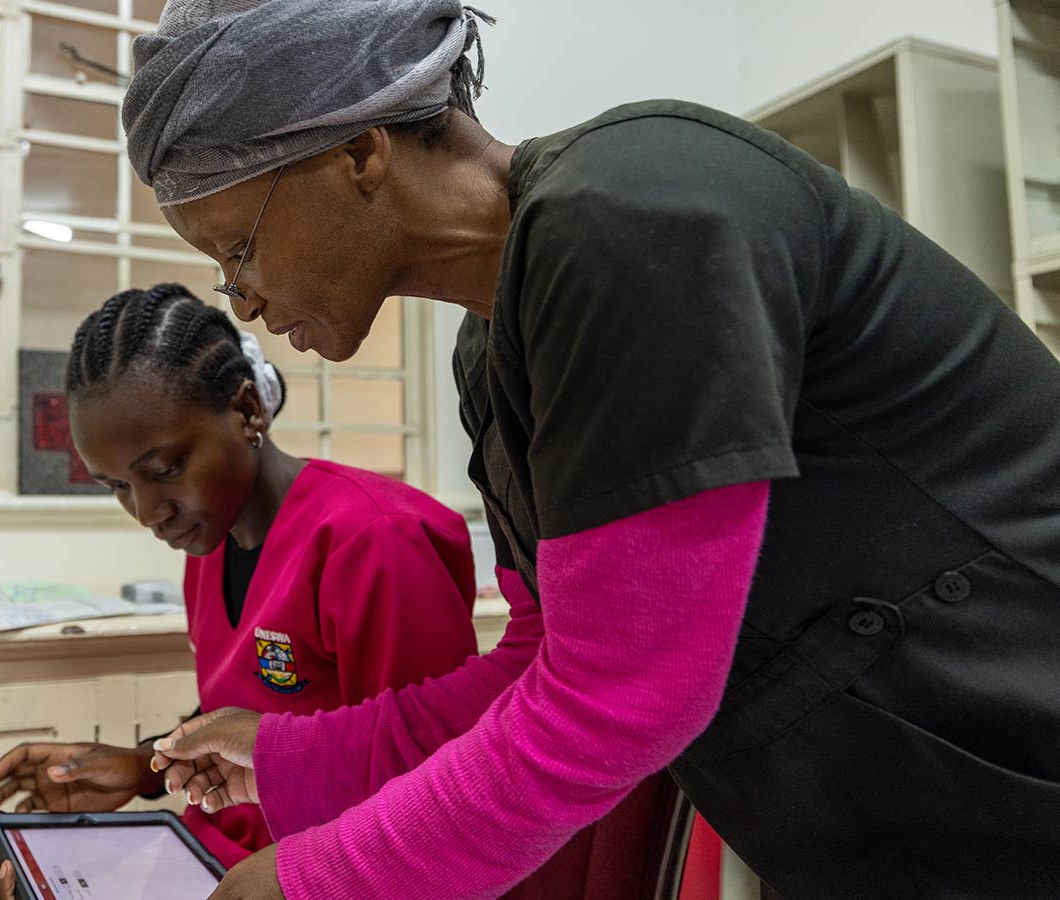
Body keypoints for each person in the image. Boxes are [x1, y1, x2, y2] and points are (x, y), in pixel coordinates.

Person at [121, 2, 1060, 899]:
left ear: (359, 153)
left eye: (237, 248)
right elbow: (542, 660)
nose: (239, 300)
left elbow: (616, 700)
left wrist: (322, 879)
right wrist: (292, 754)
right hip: (887, 827)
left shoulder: (636, 210)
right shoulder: (493, 349)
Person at [0, 284, 483, 899]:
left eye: (163, 471)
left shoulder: (375, 539)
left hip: (306, 867)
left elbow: (434, 785)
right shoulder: (209, 538)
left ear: (246, 411)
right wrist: (143, 765)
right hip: (203, 844)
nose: (148, 511)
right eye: (117, 487)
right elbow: (246, 707)